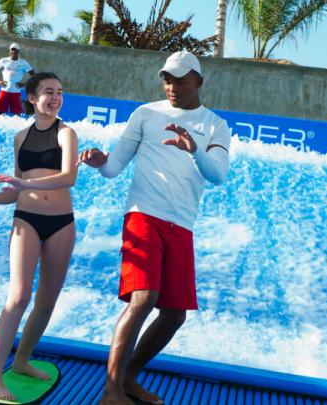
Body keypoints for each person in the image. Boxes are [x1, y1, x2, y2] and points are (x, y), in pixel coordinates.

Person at [77, 51, 231, 405]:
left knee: (174, 315)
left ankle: (129, 378)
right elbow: (114, 166)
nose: (172, 87)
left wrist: (194, 150)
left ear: (198, 82)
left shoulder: (214, 125)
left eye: (180, 80)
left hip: (182, 225)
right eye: (167, 79)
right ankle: (111, 390)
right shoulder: (145, 113)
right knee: (143, 297)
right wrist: (100, 162)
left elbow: (218, 175)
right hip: (143, 216)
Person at [0, 72, 78, 401]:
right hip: (26, 218)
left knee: (46, 301)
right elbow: (15, 191)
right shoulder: (20, 137)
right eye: (48, 92)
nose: (55, 97)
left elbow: (69, 177)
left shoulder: (67, 133)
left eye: (59, 92)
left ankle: (23, 361)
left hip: (61, 223)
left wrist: (27, 184)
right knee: (18, 296)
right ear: (31, 97)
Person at [0, 43, 36, 116]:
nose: (14, 51)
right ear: (9, 51)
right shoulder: (3, 60)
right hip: (4, 90)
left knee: (17, 114)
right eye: (12, 49)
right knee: (0, 112)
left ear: (18, 51)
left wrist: (24, 84)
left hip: (16, 92)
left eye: (16, 50)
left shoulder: (23, 63)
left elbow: (35, 75)